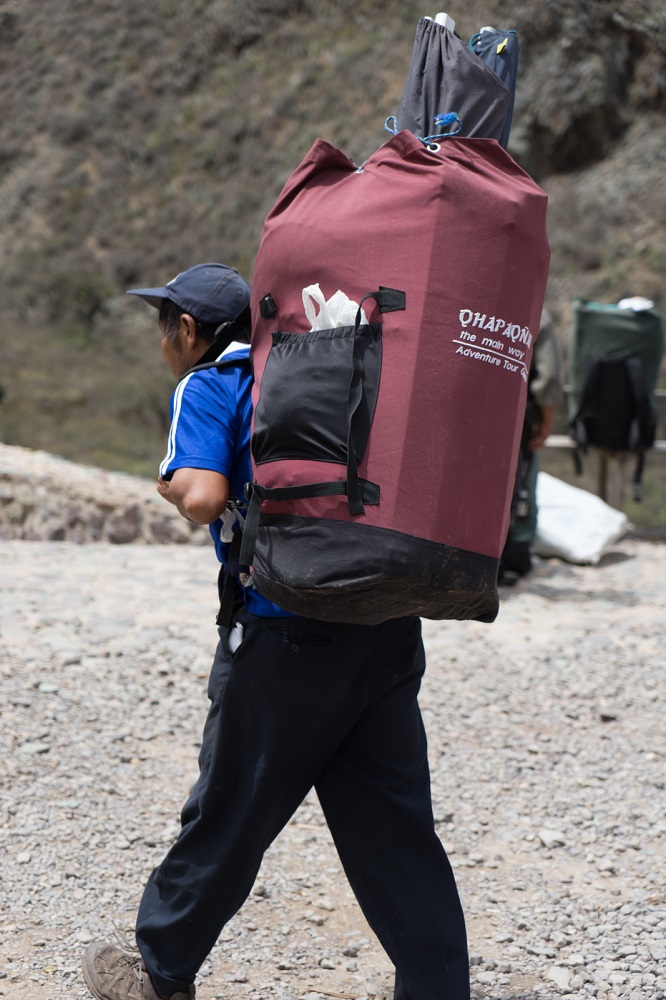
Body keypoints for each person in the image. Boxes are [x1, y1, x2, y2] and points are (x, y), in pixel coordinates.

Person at [82, 262, 470, 1000]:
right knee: (397, 835)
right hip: (384, 630)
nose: (163, 340)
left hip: (282, 636)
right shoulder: (327, 368)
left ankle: (158, 975)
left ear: (187, 331)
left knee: (227, 811)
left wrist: (168, 482)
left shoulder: (211, 383)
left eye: (165, 325)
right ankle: (438, 989)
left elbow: (201, 497)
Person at [499, 307, 564, 582]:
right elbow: (548, 376)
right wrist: (546, 422)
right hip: (518, 416)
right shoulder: (537, 312)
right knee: (516, 485)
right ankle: (512, 556)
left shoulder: (479, 299)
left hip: (475, 413)